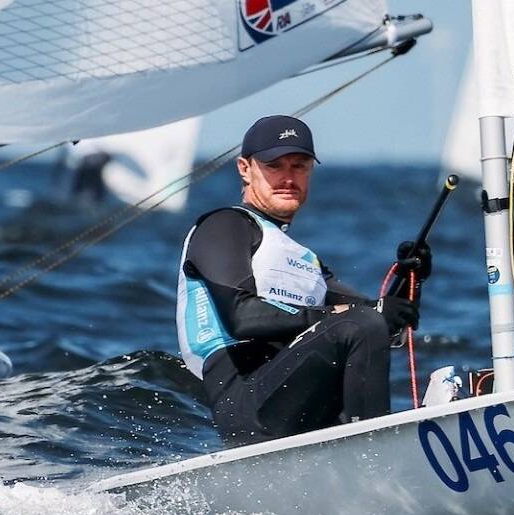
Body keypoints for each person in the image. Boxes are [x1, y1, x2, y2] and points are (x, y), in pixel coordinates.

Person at [176, 115, 430, 445]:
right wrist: (344, 315)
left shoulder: (305, 261)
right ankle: (374, 453)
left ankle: (369, 447)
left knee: (365, 324)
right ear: (245, 168)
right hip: (246, 401)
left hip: (297, 397)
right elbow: (242, 318)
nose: (288, 178)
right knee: (360, 323)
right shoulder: (224, 225)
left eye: (299, 166)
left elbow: (381, 322)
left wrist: (412, 279)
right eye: (274, 166)